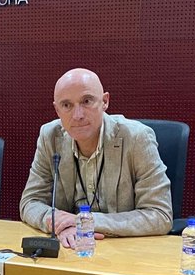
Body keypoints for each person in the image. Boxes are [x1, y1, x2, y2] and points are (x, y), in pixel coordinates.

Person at [19, 68, 172, 248]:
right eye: (67, 105)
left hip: (125, 251)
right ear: (57, 110)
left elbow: (160, 215)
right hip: (70, 248)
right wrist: (58, 222)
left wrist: (85, 222)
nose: (78, 115)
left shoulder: (137, 138)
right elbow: (30, 202)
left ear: (105, 101)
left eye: (86, 101)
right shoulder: (50, 136)